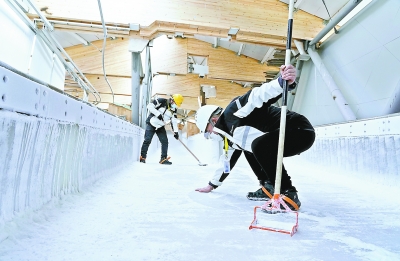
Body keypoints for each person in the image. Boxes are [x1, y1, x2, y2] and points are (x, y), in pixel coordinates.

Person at [194, 65, 315, 210]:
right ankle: (268, 187)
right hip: (283, 136)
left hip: (298, 130)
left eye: (207, 131)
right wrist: (211, 185)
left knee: (258, 145)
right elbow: (226, 163)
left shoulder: (233, 112)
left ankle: (288, 194)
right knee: (250, 147)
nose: (210, 135)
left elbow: (257, 96)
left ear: (213, 121)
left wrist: (281, 83)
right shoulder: (231, 139)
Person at [140, 94, 184, 165]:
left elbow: (174, 121)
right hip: (151, 123)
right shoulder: (162, 101)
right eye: (175, 103)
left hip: (160, 126)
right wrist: (158, 114)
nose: (175, 105)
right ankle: (143, 157)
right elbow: (149, 106)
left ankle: (163, 159)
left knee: (165, 142)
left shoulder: (174, 110)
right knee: (147, 140)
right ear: (172, 100)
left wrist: (176, 132)